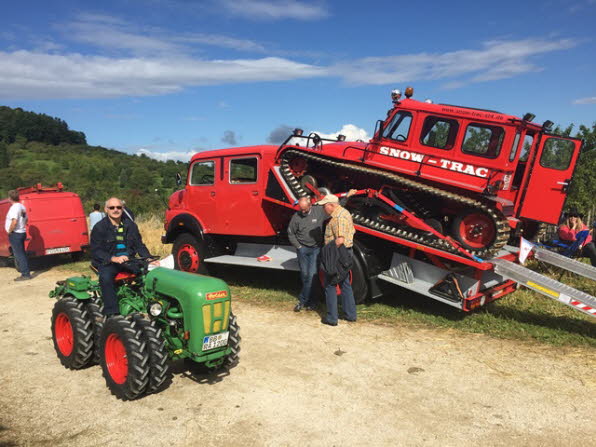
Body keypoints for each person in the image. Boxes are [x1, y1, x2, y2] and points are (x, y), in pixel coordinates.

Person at [288, 190, 357, 312]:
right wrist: (298, 247)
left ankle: (307, 301)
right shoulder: (296, 217)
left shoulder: (319, 211)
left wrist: (347, 197)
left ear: (310, 205)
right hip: (303, 249)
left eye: (305, 209)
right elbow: (290, 233)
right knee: (304, 275)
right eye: (301, 209)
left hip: (315, 249)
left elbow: (336, 207)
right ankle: (307, 300)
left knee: (312, 275)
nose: (303, 212)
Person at [90, 197, 157, 316]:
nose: (115, 210)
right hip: (109, 262)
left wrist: (149, 258)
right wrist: (113, 258)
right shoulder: (99, 228)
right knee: (105, 278)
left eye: (118, 207)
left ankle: (151, 306)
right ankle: (112, 313)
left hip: (129, 260)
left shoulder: (130, 225)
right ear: (106, 209)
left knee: (149, 273)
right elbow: (96, 251)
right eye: (112, 207)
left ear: (123, 208)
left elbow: (139, 245)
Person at [317, 194, 357, 326]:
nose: (323, 209)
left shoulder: (339, 218)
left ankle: (332, 318)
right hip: (345, 253)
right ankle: (350, 315)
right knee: (345, 283)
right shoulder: (344, 213)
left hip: (338, 254)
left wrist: (326, 251)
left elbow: (340, 240)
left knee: (330, 284)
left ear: (331, 205)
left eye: (324, 206)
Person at [4, 190, 31, 281]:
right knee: (21, 253)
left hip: (15, 233)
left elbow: (14, 221)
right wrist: (22, 226)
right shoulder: (22, 206)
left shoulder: (14, 208)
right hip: (22, 232)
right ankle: (25, 272)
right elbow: (26, 219)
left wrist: (10, 231)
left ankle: (25, 274)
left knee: (19, 255)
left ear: (10, 198)